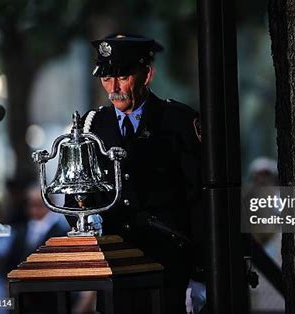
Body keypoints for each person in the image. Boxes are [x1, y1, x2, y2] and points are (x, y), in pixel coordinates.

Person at [73, 34, 203, 314]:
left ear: (147, 74)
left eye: (122, 77)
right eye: (106, 78)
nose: (114, 88)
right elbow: (79, 195)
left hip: (167, 263)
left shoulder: (177, 121)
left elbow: (199, 197)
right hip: (114, 264)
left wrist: (199, 271)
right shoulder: (93, 125)